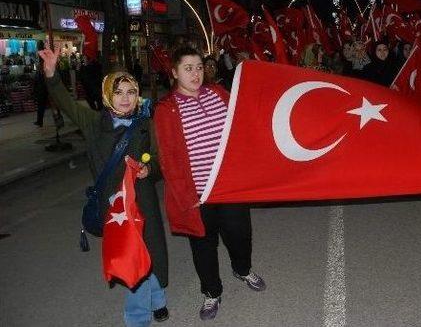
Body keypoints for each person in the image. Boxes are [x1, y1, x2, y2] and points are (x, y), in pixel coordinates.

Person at [38, 44, 169, 327]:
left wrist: (150, 168)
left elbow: (160, 159)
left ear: (137, 95)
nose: (125, 98)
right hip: (115, 206)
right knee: (132, 257)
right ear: (108, 93)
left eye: (131, 92)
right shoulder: (94, 123)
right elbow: (66, 103)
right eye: (119, 92)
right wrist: (51, 76)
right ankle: (141, 315)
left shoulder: (146, 123)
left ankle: (155, 299)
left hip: (143, 202)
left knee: (150, 253)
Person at [153, 46, 265, 322]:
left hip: (228, 188)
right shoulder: (167, 109)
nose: (195, 73)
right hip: (197, 195)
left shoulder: (218, 94)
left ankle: (242, 269)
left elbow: (245, 117)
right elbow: (168, 158)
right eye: (188, 68)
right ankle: (212, 292)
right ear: (175, 72)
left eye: (199, 67)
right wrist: (184, 195)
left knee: (240, 235)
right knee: (203, 247)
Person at [33, 60, 48, 127]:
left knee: (40, 107)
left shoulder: (40, 74)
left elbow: (35, 84)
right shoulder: (43, 73)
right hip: (43, 91)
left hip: (42, 92)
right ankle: (39, 121)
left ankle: (39, 122)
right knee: (41, 107)